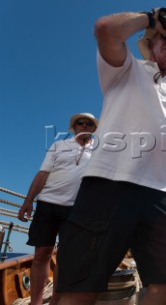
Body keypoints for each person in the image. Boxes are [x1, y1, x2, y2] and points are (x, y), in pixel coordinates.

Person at [56, 6, 166, 305]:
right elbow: (105, 28)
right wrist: (152, 19)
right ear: (150, 44)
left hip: (161, 194)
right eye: (165, 38)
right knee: (78, 292)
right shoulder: (125, 68)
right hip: (108, 183)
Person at [18, 113, 98, 305]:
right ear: (75, 127)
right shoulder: (58, 146)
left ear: (94, 129)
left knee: (65, 257)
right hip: (47, 204)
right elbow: (43, 173)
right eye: (81, 122)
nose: (84, 125)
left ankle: (55, 300)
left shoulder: (100, 150)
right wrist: (28, 200)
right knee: (41, 254)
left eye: (89, 123)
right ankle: (35, 302)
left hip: (76, 209)